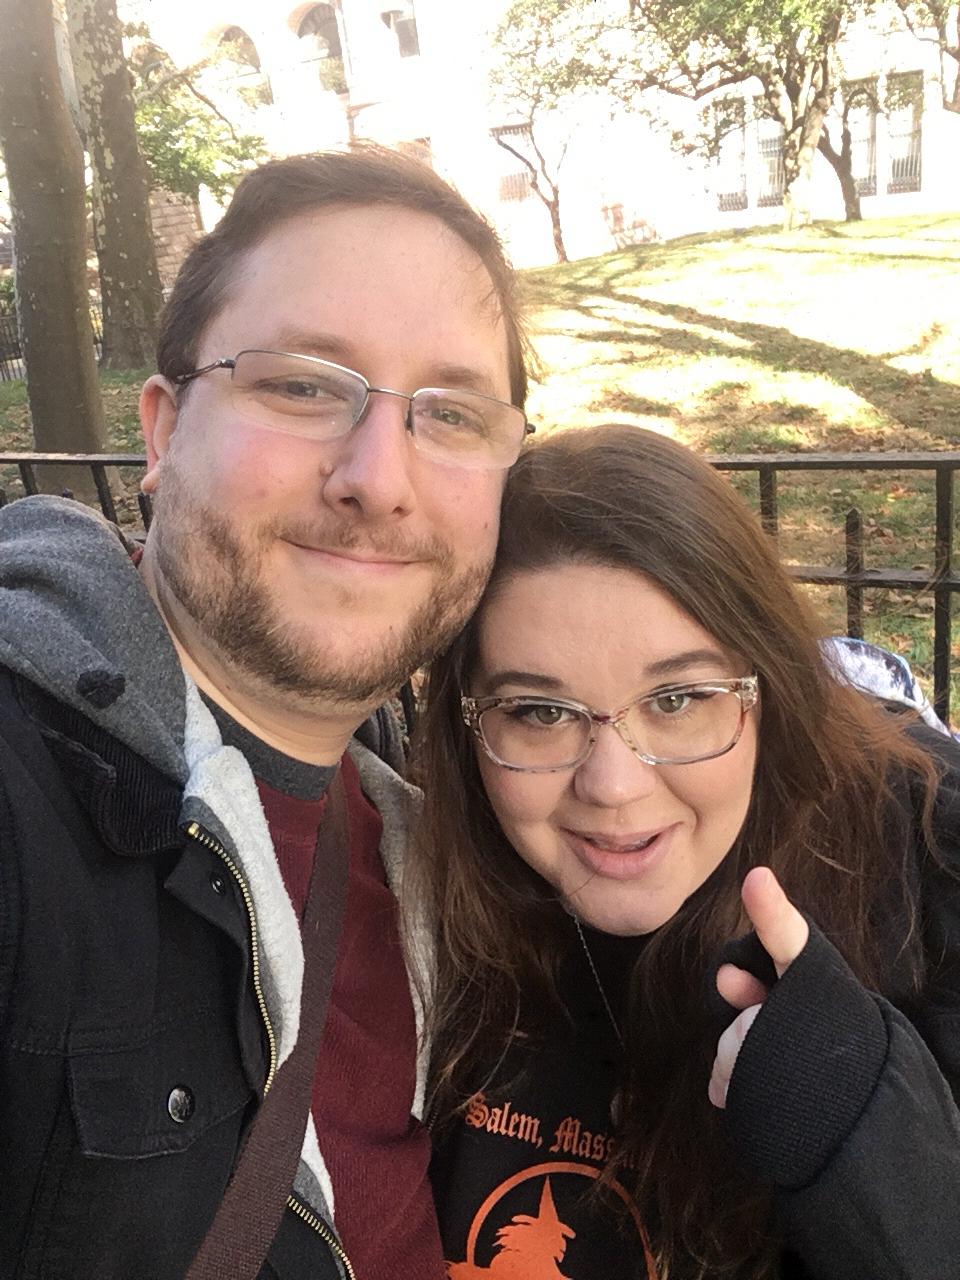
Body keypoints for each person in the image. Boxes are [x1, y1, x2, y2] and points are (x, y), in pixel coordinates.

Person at [0, 147, 532, 1280]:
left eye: (450, 413)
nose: (378, 477)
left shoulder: (438, 847)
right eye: (302, 385)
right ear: (162, 432)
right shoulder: (24, 797)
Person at [414, 423, 960, 1280]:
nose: (613, 786)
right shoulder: (407, 912)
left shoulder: (933, 876)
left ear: (770, 691)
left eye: (678, 699)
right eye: (540, 712)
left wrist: (878, 1153)